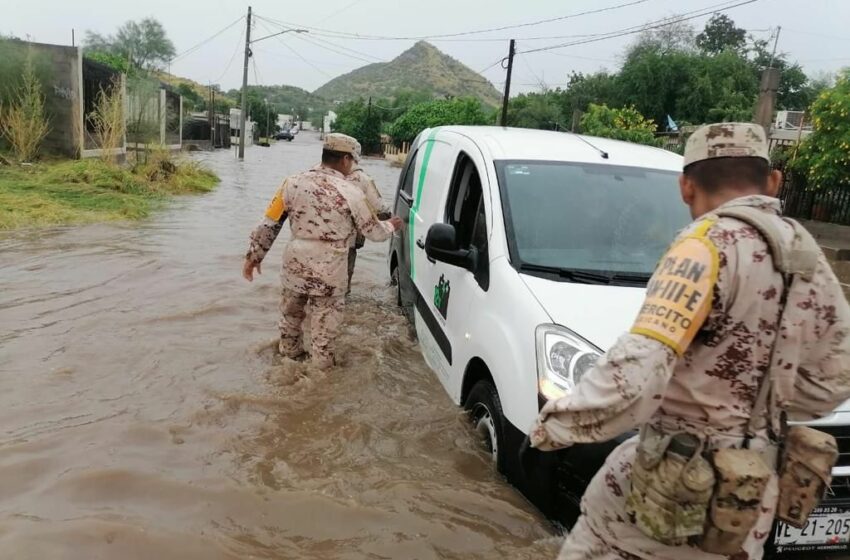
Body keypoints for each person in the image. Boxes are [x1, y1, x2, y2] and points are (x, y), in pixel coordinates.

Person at [527, 123, 850, 560]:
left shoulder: (705, 247)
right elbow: (833, 383)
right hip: (749, 500)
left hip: (670, 491)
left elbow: (636, 374)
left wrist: (553, 430)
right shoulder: (808, 258)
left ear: (686, 187)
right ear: (773, 182)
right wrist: (752, 415)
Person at [242, 133, 402, 368]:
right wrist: (391, 225)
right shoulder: (352, 192)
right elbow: (374, 232)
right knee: (324, 334)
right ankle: (320, 379)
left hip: (295, 264)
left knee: (290, 319)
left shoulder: (291, 183)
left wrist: (253, 257)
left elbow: (270, 223)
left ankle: (289, 361)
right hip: (331, 269)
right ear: (346, 160)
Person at [345, 141, 392, 295]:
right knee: (340, 291)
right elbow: (381, 209)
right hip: (346, 244)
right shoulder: (362, 179)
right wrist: (392, 222)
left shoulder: (309, 176)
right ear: (354, 158)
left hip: (308, 246)